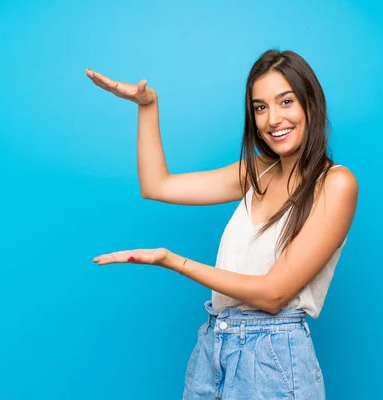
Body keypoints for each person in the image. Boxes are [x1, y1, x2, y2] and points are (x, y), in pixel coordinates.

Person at [87, 49, 358, 399]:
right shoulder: (257, 170)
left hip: (273, 358)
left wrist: (172, 261)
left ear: (311, 104)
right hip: (214, 345)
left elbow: (273, 294)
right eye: (260, 107)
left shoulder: (335, 184)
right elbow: (157, 186)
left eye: (285, 101)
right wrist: (147, 106)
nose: (273, 119)